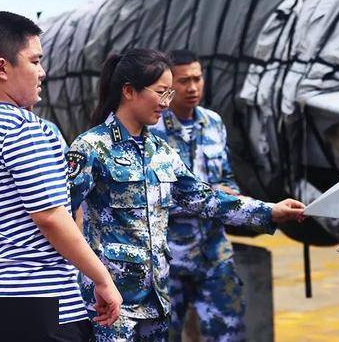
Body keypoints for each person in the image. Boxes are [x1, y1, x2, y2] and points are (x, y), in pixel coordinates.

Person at [67, 49, 305, 341]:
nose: (167, 103)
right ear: (129, 91)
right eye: (161, 92)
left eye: (170, 93)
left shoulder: (161, 152)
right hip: (111, 301)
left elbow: (204, 198)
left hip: (156, 300)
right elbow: (61, 217)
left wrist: (269, 211)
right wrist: (82, 280)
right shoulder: (92, 147)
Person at [0, 11, 122, 342]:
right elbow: (51, 216)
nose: (43, 72)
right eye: (34, 61)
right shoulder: (26, 130)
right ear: (1, 68)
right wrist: (101, 278)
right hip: (43, 309)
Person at [150, 49, 249, 341]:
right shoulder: (152, 130)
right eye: (183, 81)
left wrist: (231, 193)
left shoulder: (213, 123)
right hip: (170, 261)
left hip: (214, 255)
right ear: (168, 85)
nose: (192, 88)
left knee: (229, 334)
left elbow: (227, 177)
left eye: (197, 78)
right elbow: (150, 197)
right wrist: (211, 197)